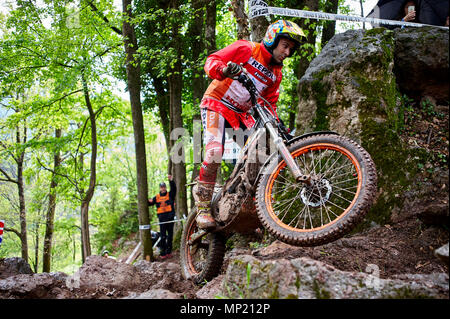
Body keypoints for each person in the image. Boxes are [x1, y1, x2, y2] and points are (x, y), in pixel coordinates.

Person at [193, 20, 305, 230]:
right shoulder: (246, 49)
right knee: (215, 151)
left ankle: (245, 201)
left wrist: (278, 126)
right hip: (217, 103)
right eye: (285, 46)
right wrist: (224, 69)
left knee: (262, 153)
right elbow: (211, 60)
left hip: (241, 115)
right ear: (272, 39)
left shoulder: (276, 74)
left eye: (291, 49)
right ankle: (203, 206)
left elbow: (269, 103)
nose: (288, 53)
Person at [149, 175, 176, 259]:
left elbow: (174, 189)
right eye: (161, 187)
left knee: (170, 235)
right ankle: (163, 252)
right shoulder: (156, 197)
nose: (163, 188)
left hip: (170, 218)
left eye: (164, 187)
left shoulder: (170, 195)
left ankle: (169, 252)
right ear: (160, 188)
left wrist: (171, 181)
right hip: (162, 219)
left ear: (165, 187)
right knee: (163, 236)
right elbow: (150, 203)